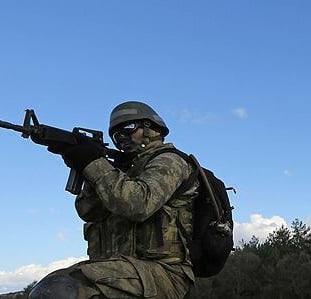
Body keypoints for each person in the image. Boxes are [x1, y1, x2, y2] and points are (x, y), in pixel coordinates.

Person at [29, 101, 198, 299]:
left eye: (128, 129)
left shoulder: (170, 160)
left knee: (60, 289)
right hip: (125, 271)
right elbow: (88, 211)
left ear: (150, 127)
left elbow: (137, 204)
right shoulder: (121, 172)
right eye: (116, 135)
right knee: (51, 286)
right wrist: (89, 167)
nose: (122, 138)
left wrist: (94, 163)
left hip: (164, 274)